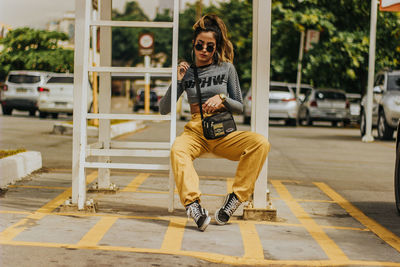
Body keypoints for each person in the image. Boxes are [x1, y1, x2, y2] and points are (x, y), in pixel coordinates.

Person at [160, 14, 270, 231]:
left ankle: (235, 199)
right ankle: (193, 206)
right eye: (200, 45)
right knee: (178, 149)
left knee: (260, 143)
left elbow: (240, 106)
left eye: (210, 47)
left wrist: (222, 99)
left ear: (216, 48)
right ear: (194, 44)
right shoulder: (188, 72)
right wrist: (179, 81)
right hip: (196, 132)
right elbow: (164, 108)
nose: (204, 50)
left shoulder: (227, 68)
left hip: (223, 132)